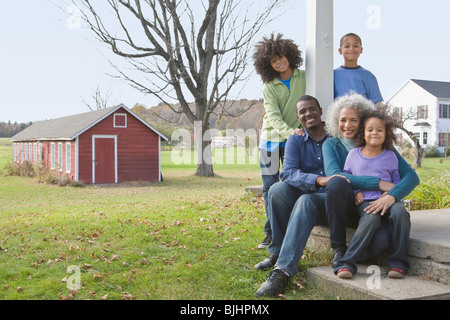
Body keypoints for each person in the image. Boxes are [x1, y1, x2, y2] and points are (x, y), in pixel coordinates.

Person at [254, 95, 347, 297]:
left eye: (312, 109)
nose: (308, 114)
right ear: (298, 117)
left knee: (306, 201)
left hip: (332, 201)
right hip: (309, 192)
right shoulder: (296, 139)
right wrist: (317, 180)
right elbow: (287, 172)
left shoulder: (335, 137)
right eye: (302, 112)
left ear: (321, 110)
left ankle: (283, 271)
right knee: (277, 190)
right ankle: (276, 252)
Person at [322, 93, 419, 272]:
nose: (348, 125)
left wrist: (392, 195)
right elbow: (338, 176)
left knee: (382, 241)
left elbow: (410, 178)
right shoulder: (335, 146)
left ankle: (397, 262)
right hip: (356, 204)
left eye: (354, 120)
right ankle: (341, 253)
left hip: (384, 203)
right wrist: (378, 183)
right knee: (370, 218)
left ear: (362, 122)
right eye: (343, 120)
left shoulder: (387, 151)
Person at [253, 33, 306, 249]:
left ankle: (290, 226)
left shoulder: (304, 77)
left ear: (288, 54)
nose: (278, 62)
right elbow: (273, 117)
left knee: (292, 184)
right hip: (270, 142)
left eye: (280, 57)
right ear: (269, 66)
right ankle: (271, 232)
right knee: (269, 188)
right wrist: (291, 131)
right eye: (273, 61)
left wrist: (297, 133)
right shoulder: (269, 87)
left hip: (293, 142)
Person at [334, 33, 383, 104]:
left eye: (355, 46)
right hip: (340, 114)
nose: (351, 49)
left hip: (363, 114)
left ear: (361, 50)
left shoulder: (368, 76)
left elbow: (377, 104)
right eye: (347, 46)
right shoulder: (334, 75)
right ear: (340, 51)